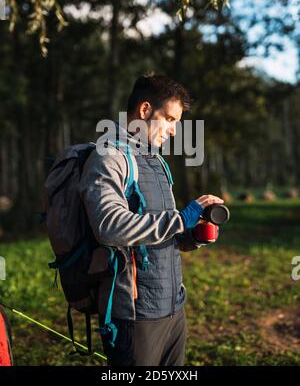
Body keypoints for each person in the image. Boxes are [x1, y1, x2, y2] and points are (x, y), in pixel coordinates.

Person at [79, 73, 223, 366]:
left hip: (173, 309)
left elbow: (162, 231)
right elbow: (108, 226)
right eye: (169, 119)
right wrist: (181, 219)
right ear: (145, 111)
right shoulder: (110, 157)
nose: (173, 131)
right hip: (135, 314)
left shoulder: (156, 162)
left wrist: (192, 236)